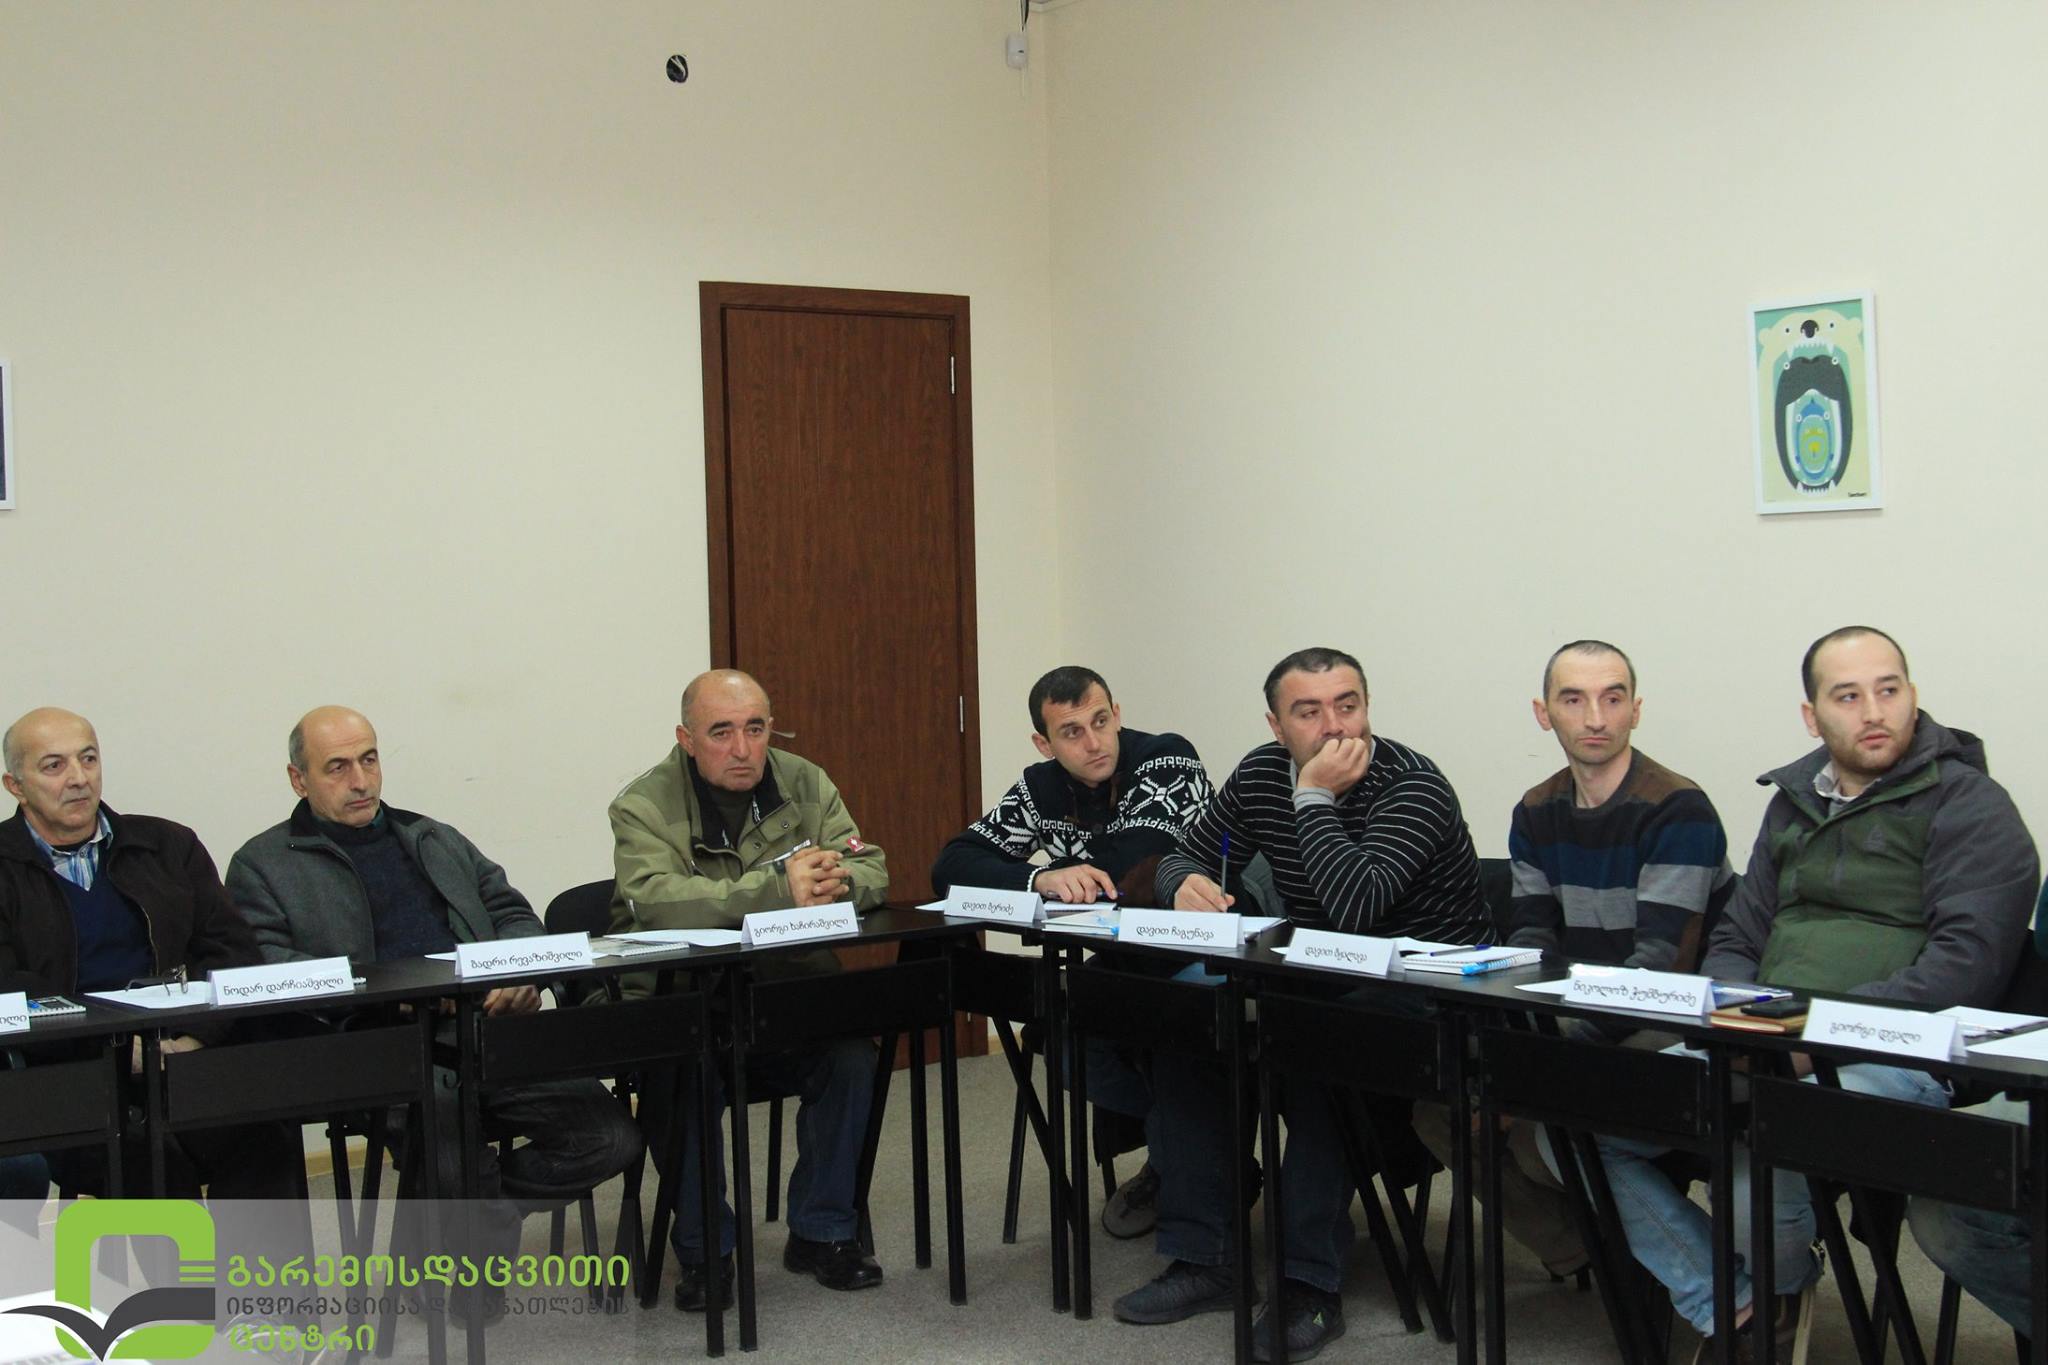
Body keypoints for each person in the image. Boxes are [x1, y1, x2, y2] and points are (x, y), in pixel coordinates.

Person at [1597, 627, 2039, 1361]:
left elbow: (1964, 967)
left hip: (1893, 1051)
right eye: (1848, 696)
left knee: (1760, 1154)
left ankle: (1776, 1286)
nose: (1875, 711)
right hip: (1765, 1035)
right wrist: (1746, 1024)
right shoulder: (1794, 802)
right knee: (1590, 1118)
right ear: (1813, 716)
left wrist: (1806, 1038)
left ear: (1913, 696)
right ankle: (1736, 1302)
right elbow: (1737, 937)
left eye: (1889, 690)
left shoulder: (1971, 805)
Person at [1126, 648, 1489, 1361]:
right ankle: (1206, 1258)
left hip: (1432, 996)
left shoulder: (1412, 784)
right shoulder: (1262, 771)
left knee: (1318, 1045)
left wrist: (1313, 797)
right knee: (1190, 1025)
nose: (1334, 726)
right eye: (1309, 711)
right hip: (1324, 978)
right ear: (1275, 724)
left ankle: (1306, 1283)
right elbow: (1187, 851)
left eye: (1347, 705)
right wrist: (1178, 882)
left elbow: (1355, 908)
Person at [226, 706, 642, 1284]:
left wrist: (519, 976)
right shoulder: (263, 864)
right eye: (338, 767)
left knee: (611, 1137)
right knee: (445, 1134)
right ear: (299, 779)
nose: (360, 781)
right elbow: (266, 965)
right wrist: (388, 992)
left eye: (369, 760)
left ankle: (482, 1222)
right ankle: (462, 1276)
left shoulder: (432, 838)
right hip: (374, 1045)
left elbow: (514, 914)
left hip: (483, 1028)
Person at [1414, 640, 1734, 1279]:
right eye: (1574, 700)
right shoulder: (1537, 809)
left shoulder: (1678, 808)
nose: (1595, 718)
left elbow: (1657, 973)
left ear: (1635, 710)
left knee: (1547, 1135)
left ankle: (1677, 1272)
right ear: (1544, 713)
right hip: (1581, 1013)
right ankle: (1589, 1251)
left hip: (1673, 1021)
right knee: (1439, 1108)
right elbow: (1532, 946)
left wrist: (1538, 1071)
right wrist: (1521, 1050)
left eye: (1612, 699)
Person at [609, 670, 889, 1308]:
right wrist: (777, 890)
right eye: (721, 732)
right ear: (686, 739)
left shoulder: (805, 782)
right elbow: (655, 901)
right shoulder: (642, 805)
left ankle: (822, 1232)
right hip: (684, 1006)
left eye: (756, 729)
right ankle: (706, 1250)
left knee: (852, 1057)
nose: (743, 749)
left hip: (786, 995)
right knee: (681, 1077)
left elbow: (871, 866)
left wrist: (836, 883)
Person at [931, 665, 1213, 1237]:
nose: (1094, 742)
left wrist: (1060, 868)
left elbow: (1137, 864)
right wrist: (1037, 879)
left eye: (1101, 721)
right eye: (1072, 732)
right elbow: (952, 865)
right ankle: (1189, 1149)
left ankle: (1190, 1160)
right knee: (1060, 1037)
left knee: (1175, 1032)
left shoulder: (1167, 758)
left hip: (1198, 951)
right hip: (1122, 958)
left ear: (1117, 714)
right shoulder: (1040, 787)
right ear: (1044, 743)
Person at [0, 707, 302, 1200]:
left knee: (265, 1133)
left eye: (88, 759)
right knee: (150, 1161)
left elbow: (232, 951)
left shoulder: (166, 846)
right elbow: (10, 987)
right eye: (54, 766)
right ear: (15, 785)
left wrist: (195, 1040)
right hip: (67, 1076)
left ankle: (258, 1257)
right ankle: (179, 1259)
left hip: (180, 1055)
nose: (78, 778)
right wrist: (116, 1049)